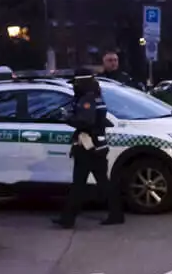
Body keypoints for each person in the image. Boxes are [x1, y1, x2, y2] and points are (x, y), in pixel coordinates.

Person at [53, 70, 124, 228]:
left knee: (80, 183)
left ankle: (68, 219)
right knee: (99, 182)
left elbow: (86, 121)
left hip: (88, 147)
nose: (74, 88)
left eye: (76, 84)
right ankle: (115, 214)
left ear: (82, 83)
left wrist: (67, 118)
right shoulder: (95, 96)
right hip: (96, 145)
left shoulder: (87, 99)